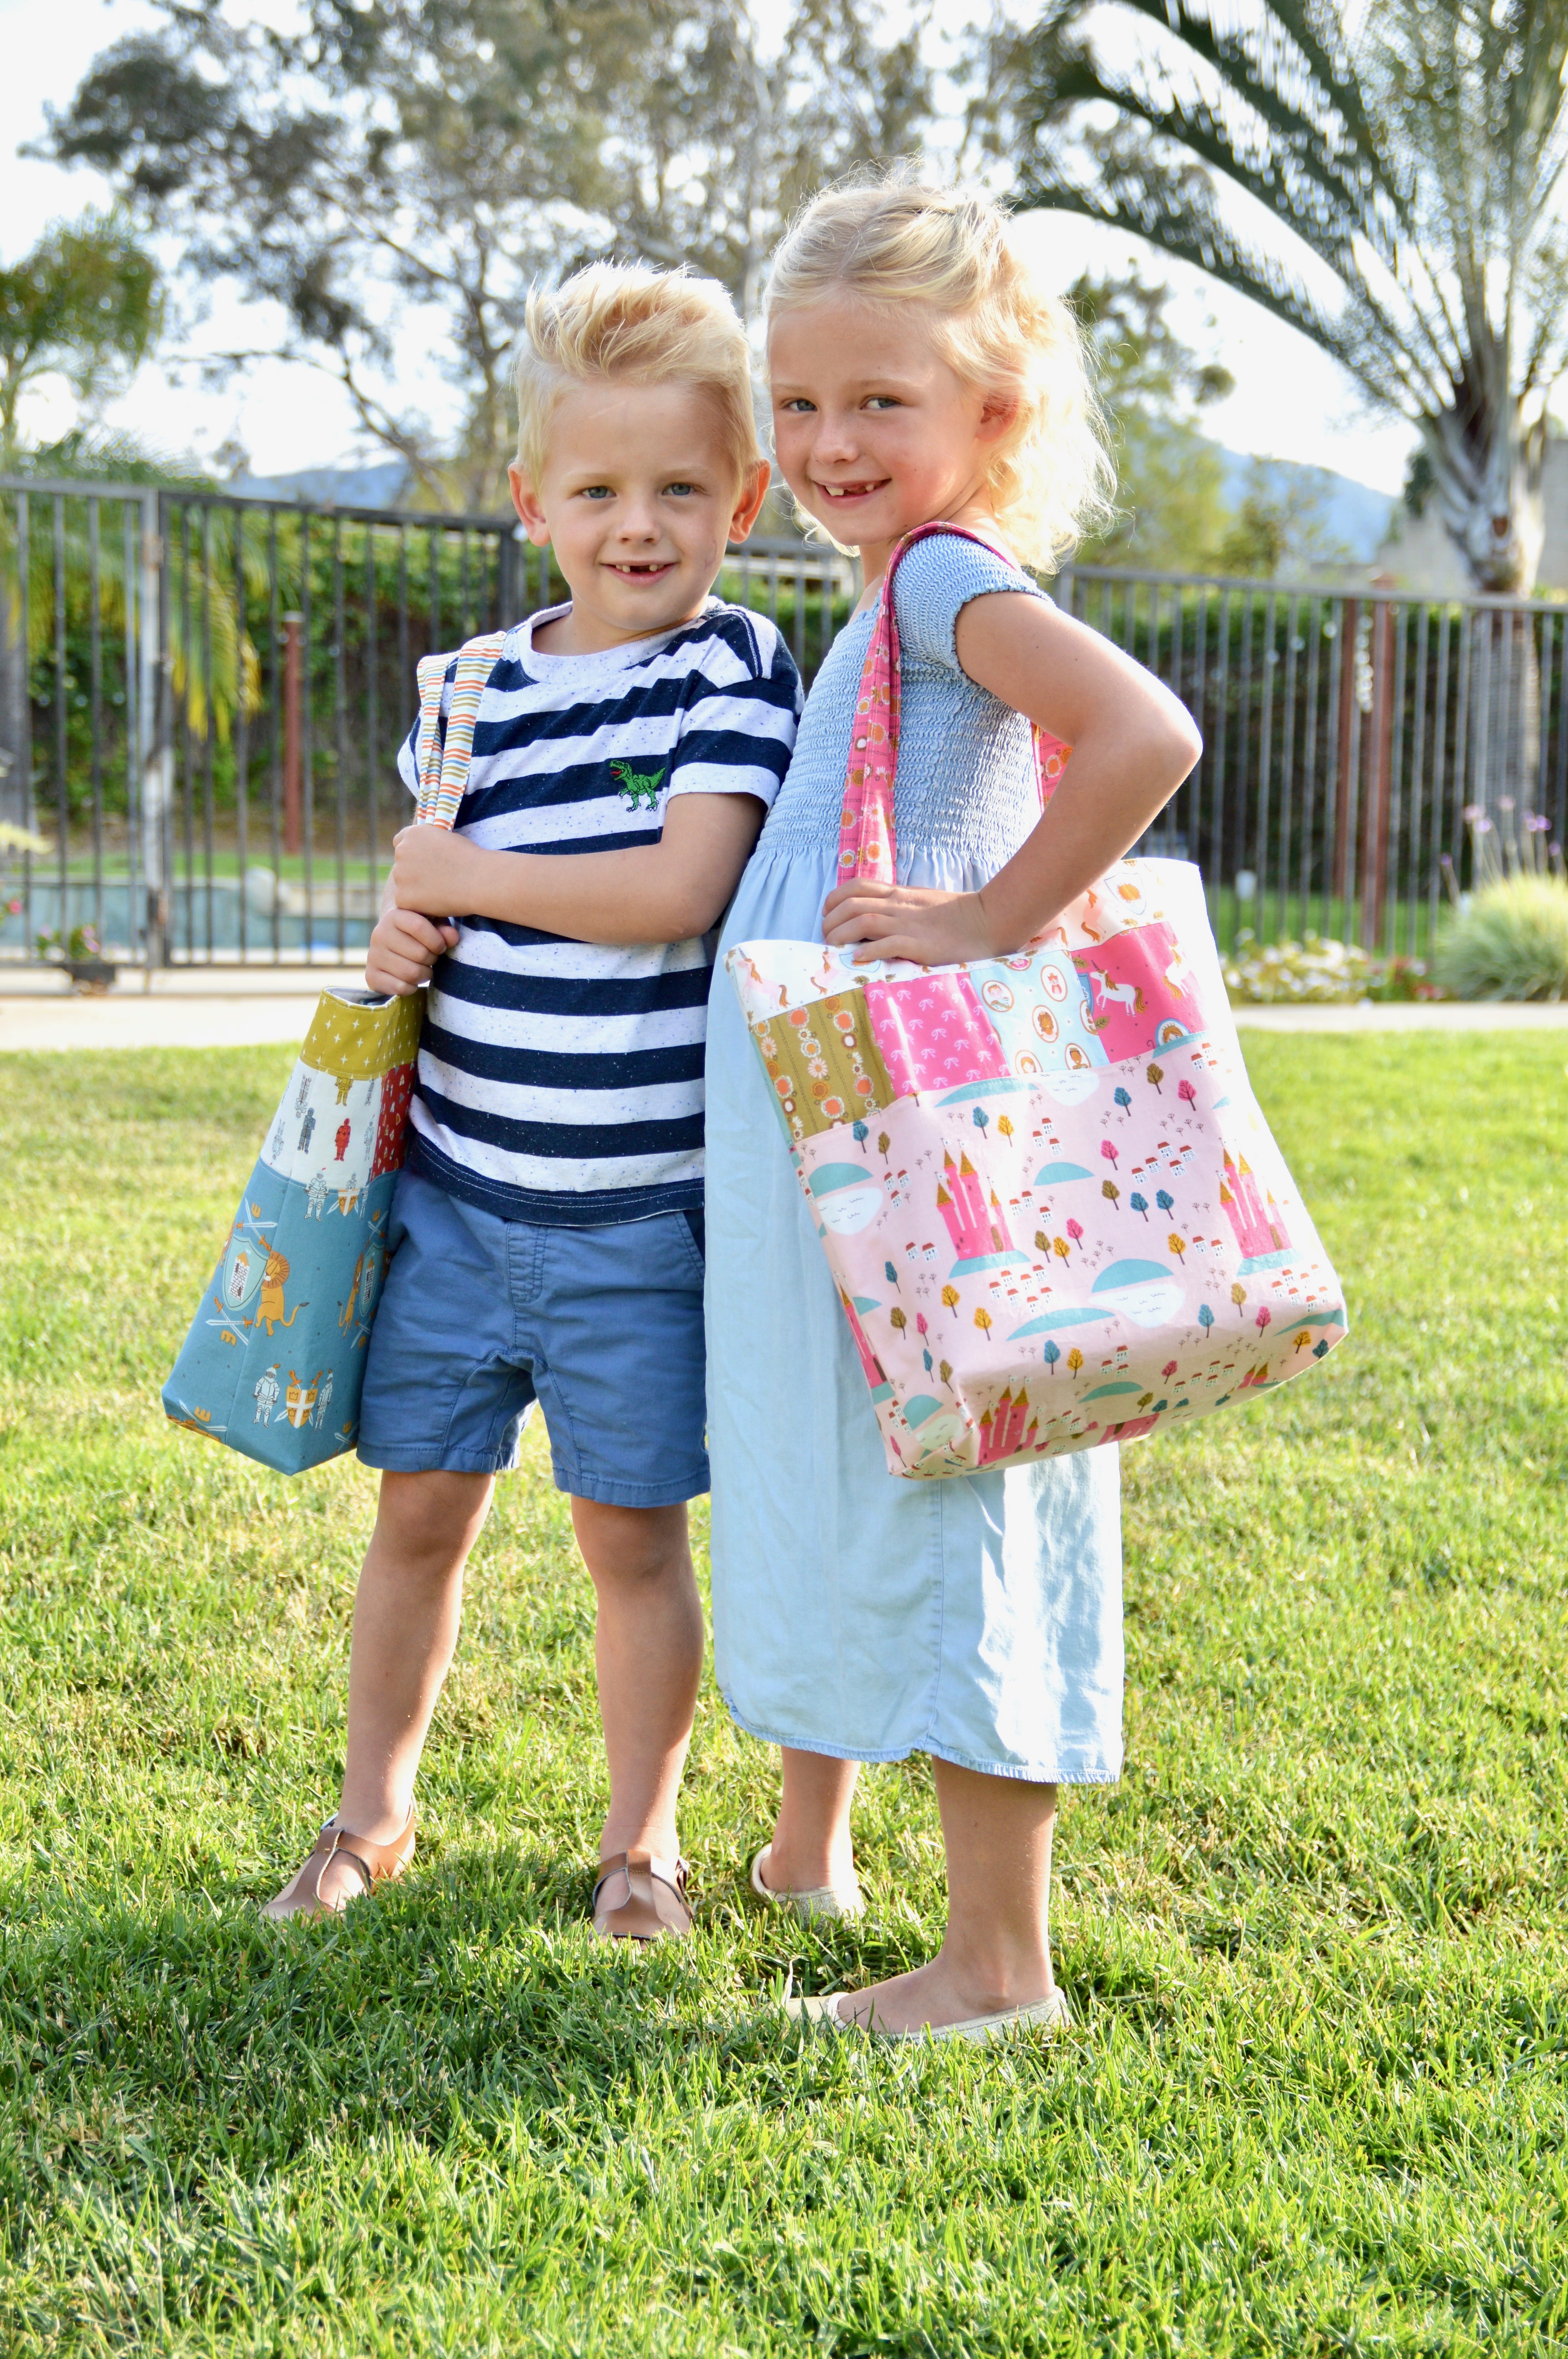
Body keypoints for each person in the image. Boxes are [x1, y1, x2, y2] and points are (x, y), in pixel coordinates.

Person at [704, 180, 1203, 2036]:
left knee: (951, 1495)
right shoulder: (891, 587)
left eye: (880, 402)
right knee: (860, 1468)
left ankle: (997, 1962)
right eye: (802, 400)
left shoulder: (941, 577)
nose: (830, 443)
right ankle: (806, 1848)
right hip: (851, 1114)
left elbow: (1146, 731)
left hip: (913, 1138)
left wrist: (989, 918)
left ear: (990, 411)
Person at [266, 262, 799, 1940]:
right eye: (597, 490)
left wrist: (462, 869)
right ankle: (371, 1818)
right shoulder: (467, 688)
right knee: (417, 1514)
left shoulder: (733, 666)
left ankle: (642, 1846)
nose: (636, 525)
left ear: (744, 497)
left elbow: (677, 889)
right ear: (531, 502)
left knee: (630, 1541)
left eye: (679, 490)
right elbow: (428, 909)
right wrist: (410, 906)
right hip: (455, 1201)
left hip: (636, 1216)